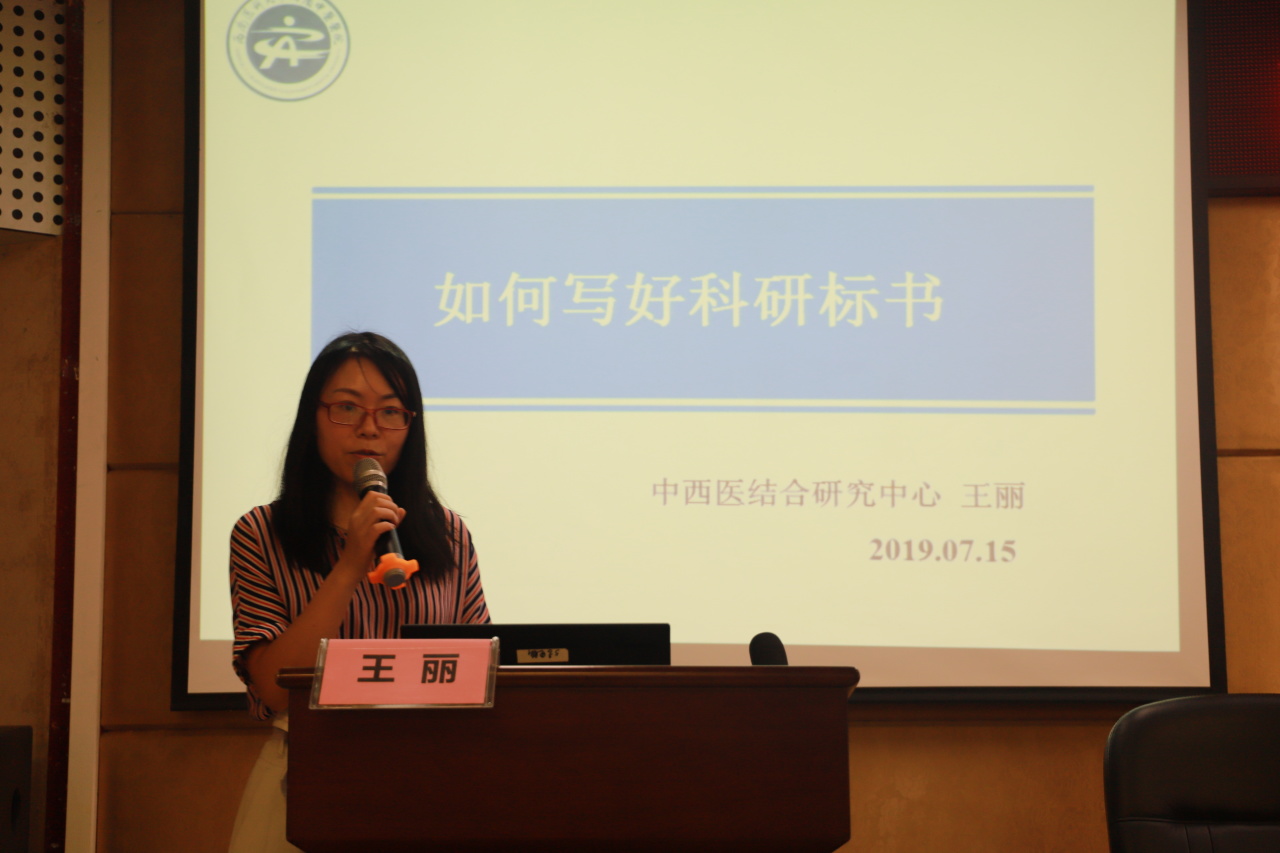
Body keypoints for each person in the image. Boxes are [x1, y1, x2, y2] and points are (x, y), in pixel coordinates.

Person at [226, 332, 490, 853]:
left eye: (390, 412)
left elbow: (480, 670)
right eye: (347, 408)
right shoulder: (261, 533)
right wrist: (350, 564)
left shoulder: (449, 535)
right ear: (314, 418)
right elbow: (275, 689)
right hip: (307, 780)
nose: (370, 428)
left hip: (429, 780)